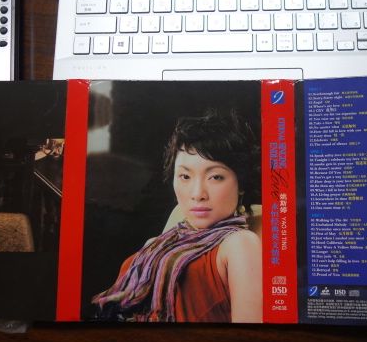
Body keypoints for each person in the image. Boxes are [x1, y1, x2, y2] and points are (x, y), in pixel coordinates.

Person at [93, 110, 262, 323]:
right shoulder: (159, 243)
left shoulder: (240, 243)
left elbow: (249, 335)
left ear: (241, 183)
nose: (197, 194)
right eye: (185, 176)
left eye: (215, 177)